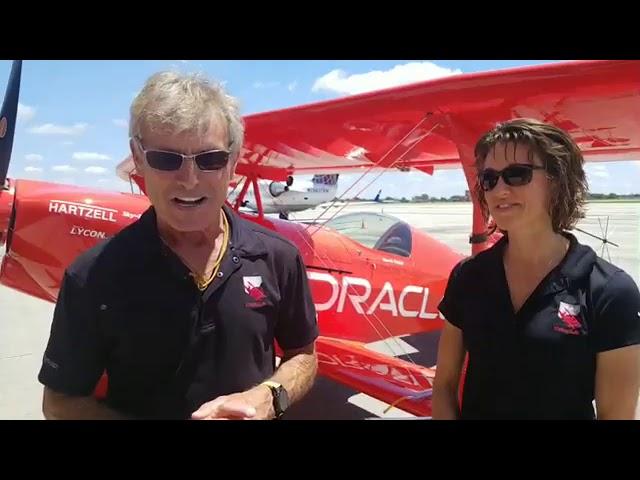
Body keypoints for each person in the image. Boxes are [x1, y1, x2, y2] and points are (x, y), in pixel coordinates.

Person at [37, 71, 319, 420]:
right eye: (166, 159)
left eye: (210, 159)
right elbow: (60, 401)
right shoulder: (90, 276)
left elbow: (303, 354)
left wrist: (270, 396)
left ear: (232, 162)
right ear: (138, 159)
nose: (189, 180)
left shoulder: (279, 257)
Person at [432, 118, 640, 420]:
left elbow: (616, 414)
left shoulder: (609, 290)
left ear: (557, 180)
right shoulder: (468, 277)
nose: (499, 189)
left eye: (517, 175)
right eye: (489, 179)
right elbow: (444, 385)